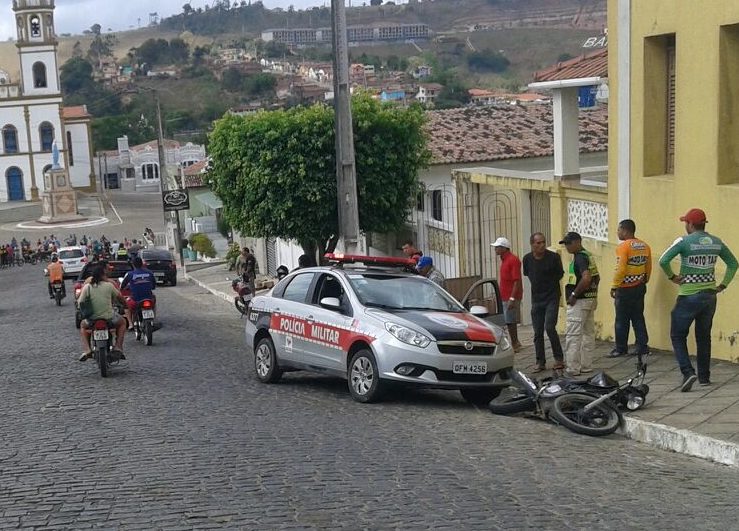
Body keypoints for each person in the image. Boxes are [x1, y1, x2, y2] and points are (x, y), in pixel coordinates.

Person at [659, 208, 738, 391]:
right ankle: (704, 377)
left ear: (691, 224)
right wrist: (723, 285)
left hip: (689, 295)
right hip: (710, 296)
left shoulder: (684, 242)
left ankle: (688, 372)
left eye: (686, 223)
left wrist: (672, 277)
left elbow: (663, 260)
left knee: (678, 335)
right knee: (704, 337)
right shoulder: (716, 242)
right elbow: (734, 264)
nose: (685, 226)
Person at [609, 219, 652, 358]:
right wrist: (645, 280)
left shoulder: (623, 247)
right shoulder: (644, 246)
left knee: (621, 320)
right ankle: (642, 346)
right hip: (639, 286)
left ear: (625, 230)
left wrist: (615, 286)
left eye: (619, 230)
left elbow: (621, 269)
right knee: (638, 317)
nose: (618, 232)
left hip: (625, 288)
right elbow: (648, 266)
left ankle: (621, 348)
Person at [522, 232, 565, 373]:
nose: (541, 245)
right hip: (537, 299)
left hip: (552, 297)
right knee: (537, 332)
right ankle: (540, 361)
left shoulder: (553, 258)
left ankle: (559, 358)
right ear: (532, 244)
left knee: (550, 327)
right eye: (538, 243)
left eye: (543, 242)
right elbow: (528, 274)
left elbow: (560, 274)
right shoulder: (527, 259)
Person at [560, 232, 600, 376]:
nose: (567, 246)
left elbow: (587, 278)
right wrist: (594, 294)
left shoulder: (580, 258)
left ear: (577, 242)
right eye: (565, 244)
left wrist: (574, 294)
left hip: (579, 301)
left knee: (573, 336)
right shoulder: (588, 255)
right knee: (588, 334)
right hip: (589, 299)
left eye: (569, 243)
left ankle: (573, 368)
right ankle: (586, 366)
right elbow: (597, 278)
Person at [78, 264, 127, 361]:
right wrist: (125, 305)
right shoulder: (109, 285)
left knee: (83, 326)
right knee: (122, 323)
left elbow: (80, 302)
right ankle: (118, 347)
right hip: (109, 318)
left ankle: (87, 350)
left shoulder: (87, 287)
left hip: (91, 319)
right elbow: (120, 298)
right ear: (102, 275)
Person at [492, 236, 523, 352]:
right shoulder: (505, 260)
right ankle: (515, 342)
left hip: (510, 296)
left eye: (497, 247)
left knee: (511, 321)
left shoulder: (513, 260)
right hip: (505, 295)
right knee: (509, 320)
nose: (495, 249)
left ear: (504, 248)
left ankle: (515, 344)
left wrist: (512, 298)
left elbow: (517, 280)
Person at [121, 256, 157, 328]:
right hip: (149, 298)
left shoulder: (129, 274)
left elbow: (122, 286)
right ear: (142, 264)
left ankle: (130, 324)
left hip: (135, 300)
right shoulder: (149, 272)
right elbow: (153, 286)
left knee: (125, 306)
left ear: (133, 265)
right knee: (154, 301)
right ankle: (153, 320)